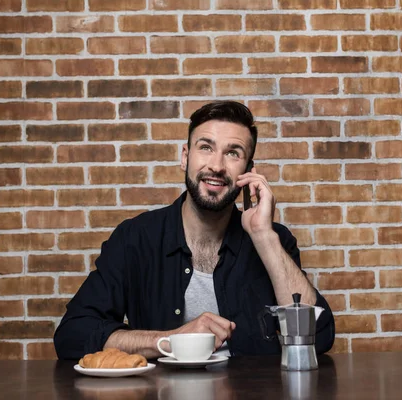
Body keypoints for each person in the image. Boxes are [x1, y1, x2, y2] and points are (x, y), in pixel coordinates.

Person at [54, 101, 335, 359]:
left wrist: (263, 236)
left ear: (248, 171)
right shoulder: (135, 239)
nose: (216, 165)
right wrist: (171, 340)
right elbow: (72, 335)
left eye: (233, 153)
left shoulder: (274, 240)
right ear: (185, 157)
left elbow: (319, 337)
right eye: (205, 147)